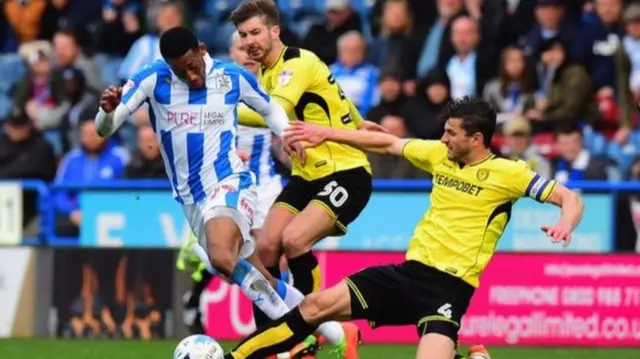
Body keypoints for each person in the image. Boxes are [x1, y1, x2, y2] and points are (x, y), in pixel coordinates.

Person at [222, 96, 585, 359]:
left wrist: (564, 224)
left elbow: (571, 199)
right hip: (406, 273)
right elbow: (387, 143)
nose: (443, 139)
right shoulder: (439, 155)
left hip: (447, 290)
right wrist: (327, 133)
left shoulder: (510, 174)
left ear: (476, 139)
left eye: (451, 133)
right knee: (315, 306)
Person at [94, 26, 346, 359]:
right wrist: (106, 112)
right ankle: (340, 334)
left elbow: (269, 108)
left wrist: (287, 135)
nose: (190, 75)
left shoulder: (231, 77)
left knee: (221, 257)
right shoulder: (152, 79)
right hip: (192, 201)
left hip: (229, 181)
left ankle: (292, 335)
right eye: (180, 70)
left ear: (201, 49)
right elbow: (105, 129)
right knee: (266, 280)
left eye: (192, 65)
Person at [230, 3, 384, 357]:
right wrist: (358, 122)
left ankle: (312, 332)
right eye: (243, 36)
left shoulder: (294, 64)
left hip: (345, 172)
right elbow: (333, 94)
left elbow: (277, 112)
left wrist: (217, 111)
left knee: (294, 239)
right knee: (265, 247)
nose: (249, 42)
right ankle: (271, 337)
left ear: (275, 32)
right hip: (307, 175)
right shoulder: (267, 74)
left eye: (255, 33)